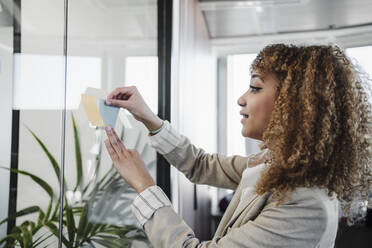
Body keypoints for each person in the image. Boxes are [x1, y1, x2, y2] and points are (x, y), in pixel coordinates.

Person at [103, 43, 372, 247]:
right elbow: (200, 165)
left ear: (295, 105)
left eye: (255, 88)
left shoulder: (306, 204)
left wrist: (144, 187)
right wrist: (149, 118)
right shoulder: (279, 166)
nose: (241, 99)